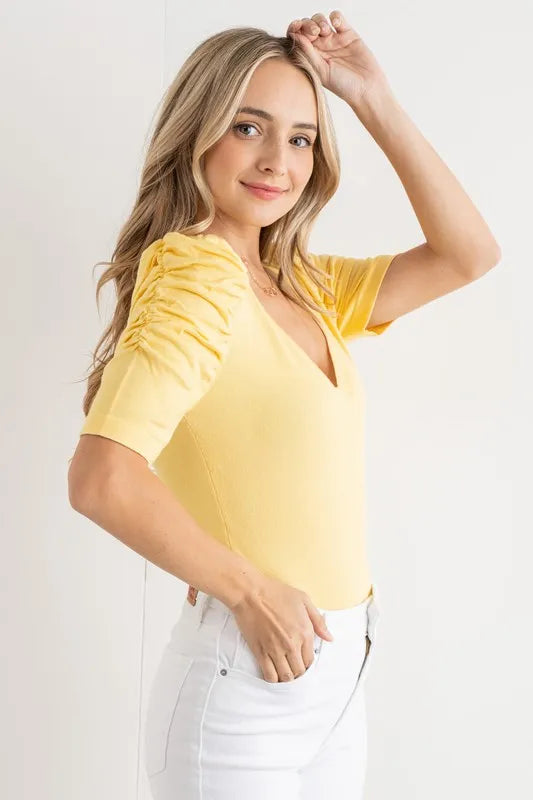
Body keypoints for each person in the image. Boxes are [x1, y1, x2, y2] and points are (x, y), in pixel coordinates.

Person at [67, 12, 500, 799]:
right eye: (248, 127)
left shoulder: (302, 286)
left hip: (334, 682)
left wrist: (370, 98)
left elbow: (467, 253)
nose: (278, 160)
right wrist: (246, 588)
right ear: (197, 133)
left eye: (301, 138)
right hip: (243, 689)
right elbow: (102, 477)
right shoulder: (196, 275)